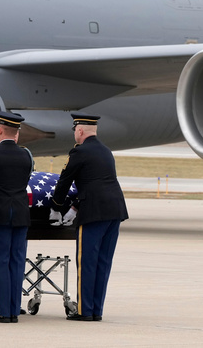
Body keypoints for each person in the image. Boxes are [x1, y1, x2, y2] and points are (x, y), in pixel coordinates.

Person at [52, 114, 129, 321]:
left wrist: (56, 206)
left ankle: (84, 311)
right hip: (115, 211)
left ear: (79, 131)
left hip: (94, 212)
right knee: (103, 263)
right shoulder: (106, 151)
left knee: (87, 262)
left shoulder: (79, 152)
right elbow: (97, 183)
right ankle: (96, 310)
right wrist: (76, 206)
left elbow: (64, 182)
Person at [0, 111, 32, 323]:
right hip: (20, 212)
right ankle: (13, 308)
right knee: (17, 261)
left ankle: (2, 312)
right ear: (17, 134)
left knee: (0, 260)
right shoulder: (26, 155)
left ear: (0, 131)